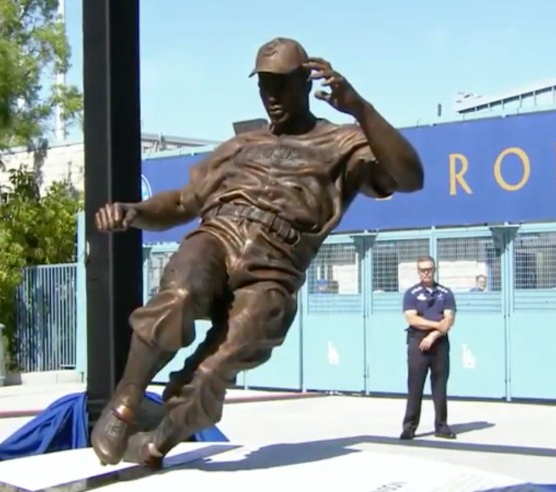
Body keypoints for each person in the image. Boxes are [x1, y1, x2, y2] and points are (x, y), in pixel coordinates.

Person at [91, 37, 425, 467]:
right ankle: (126, 401)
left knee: (215, 368)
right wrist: (135, 212)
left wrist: (360, 108)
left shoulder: (343, 144)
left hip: (276, 265)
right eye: (264, 85)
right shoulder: (240, 146)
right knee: (180, 295)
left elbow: (411, 177)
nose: (272, 96)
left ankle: (158, 441)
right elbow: (180, 203)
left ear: (307, 81)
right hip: (220, 234)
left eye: (281, 84)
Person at [400, 255, 456, 440]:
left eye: (429, 269)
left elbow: (448, 320)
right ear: (418, 271)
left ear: (434, 270)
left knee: (440, 386)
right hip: (417, 342)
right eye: (423, 269)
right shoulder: (412, 293)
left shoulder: (445, 293)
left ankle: (441, 426)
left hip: (439, 343)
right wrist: (436, 325)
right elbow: (412, 318)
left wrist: (433, 335)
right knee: (415, 386)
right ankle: (409, 427)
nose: (426, 273)